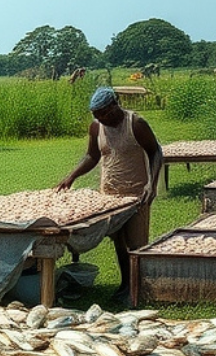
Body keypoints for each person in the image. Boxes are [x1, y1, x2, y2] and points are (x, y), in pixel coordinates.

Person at [55, 86, 162, 303]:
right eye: (97, 116)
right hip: (110, 196)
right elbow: (92, 156)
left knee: (136, 244)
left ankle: (137, 288)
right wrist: (71, 176)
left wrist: (151, 185)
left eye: (105, 114)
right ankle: (125, 284)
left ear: (115, 105)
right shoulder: (97, 127)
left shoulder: (136, 124)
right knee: (119, 241)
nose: (102, 119)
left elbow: (155, 152)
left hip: (135, 195)